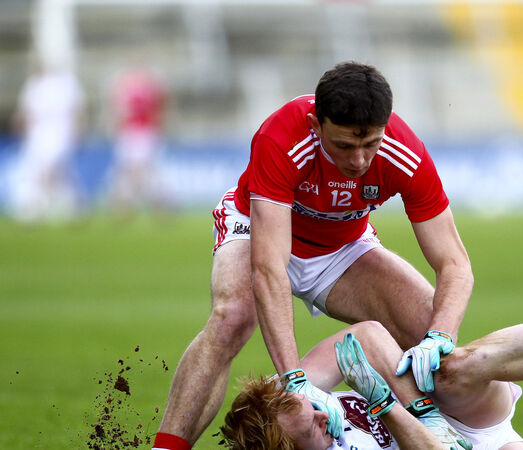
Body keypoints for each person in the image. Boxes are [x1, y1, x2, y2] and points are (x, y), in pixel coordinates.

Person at [152, 62, 474, 450]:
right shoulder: (281, 137)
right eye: (344, 146)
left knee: (432, 338)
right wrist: (295, 381)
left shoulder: (405, 153)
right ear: (315, 123)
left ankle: (440, 437)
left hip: (341, 248)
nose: (359, 161)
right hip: (259, 229)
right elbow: (270, 269)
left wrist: (441, 336)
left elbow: (455, 264)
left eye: (370, 144)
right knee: (233, 317)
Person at [220, 276, 523, 449]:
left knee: (456, 366)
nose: (324, 412)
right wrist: (386, 405)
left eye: (312, 405)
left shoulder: (300, 399)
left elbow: (365, 335)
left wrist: (300, 385)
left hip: (450, 410)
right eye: (313, 427)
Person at [10, 63, 84, 223]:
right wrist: (22, 127)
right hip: (38, 134)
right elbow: (26, 112)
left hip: (60, 132)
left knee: (53, 169)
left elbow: (75, 110)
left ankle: (49, 205)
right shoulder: (33, 85)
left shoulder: (67, 84)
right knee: (41, 170)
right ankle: (53, 205)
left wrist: (76, 130)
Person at [107, 65, 169, 216]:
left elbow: (160, 109)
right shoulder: (125, 89)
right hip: (130, 132)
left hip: (144, 132)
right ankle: (134, 203)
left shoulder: (149, 89)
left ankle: (147, 203)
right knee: (130, 170)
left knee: (141, 170)